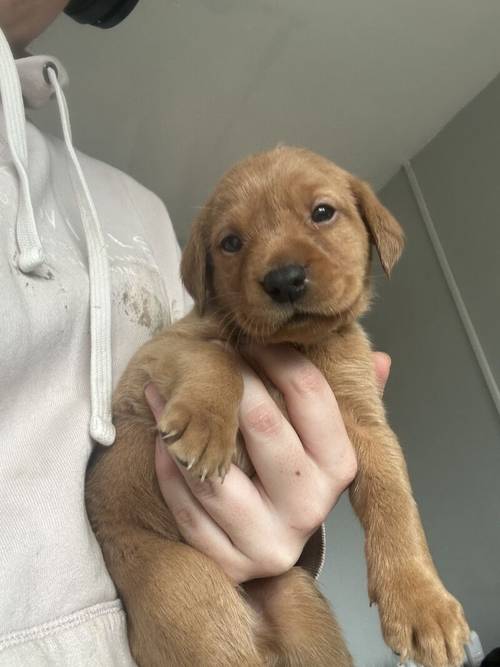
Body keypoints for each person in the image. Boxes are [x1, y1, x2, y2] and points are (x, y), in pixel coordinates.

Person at [0, 2, 391, 665]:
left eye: (322, 213)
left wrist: (280, 525)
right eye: (234, 242)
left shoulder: (135, 213)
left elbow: (224, 392)